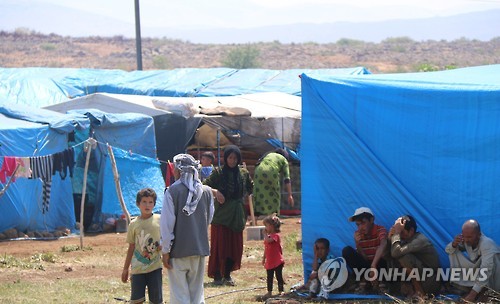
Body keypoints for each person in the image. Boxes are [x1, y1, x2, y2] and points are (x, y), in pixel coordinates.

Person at [160, 154, 215, 304]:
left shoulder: (172, 191)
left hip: (178, 252)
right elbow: (208, 219)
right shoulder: (207, 191)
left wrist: (165, 250)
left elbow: (167, 225)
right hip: (199, 249)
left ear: (178, 170)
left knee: (179, 295)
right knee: (197, 294)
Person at [203, 145, 253, 286]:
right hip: (221, 215)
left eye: (235, 158)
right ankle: (217, 275)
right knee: (220, 246)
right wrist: (216, 192)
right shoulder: (218, 172)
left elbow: (250, 187)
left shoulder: (243, 173)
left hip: (236, 214)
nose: (232, 160)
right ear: (225, 158)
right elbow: (204, 186)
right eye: (230, 157)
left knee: (233, 246)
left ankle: (227, 274)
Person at [121, 188, 163, 304]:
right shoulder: (133, 224)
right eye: (144, 202)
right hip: (137, 269)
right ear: (138, 204)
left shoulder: (160, 220)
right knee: (136, 300)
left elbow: (167, 238)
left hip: (155, 267)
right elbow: (131, 247)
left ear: (154, 204)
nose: (147, 205)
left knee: (156, 300)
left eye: (150, 202)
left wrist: (163, 247)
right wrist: (125, 269)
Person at [445, 219, 500, 302]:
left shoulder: (487, 244)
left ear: (479, 235)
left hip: (494, 279)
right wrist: (454, 244)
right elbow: (448, 250)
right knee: (454, 251)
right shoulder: (467, 241)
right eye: (464, 236)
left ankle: (487, 292)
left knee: (487, 264)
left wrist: (472, 295)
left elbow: (486, 270)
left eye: (469, 237)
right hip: (481, 276)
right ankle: (470, 287)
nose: (466, 240)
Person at [388, 215, 441, 298]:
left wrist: (397, 233)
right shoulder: (406, 239)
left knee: (404, 258)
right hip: (422, 277)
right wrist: (390, 238)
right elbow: (391, 255)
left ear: (411, 230)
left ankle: (420, 293)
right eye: (399, 233)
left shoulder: (419, 240)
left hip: (431, 281)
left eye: (402, 232)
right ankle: (409, 289)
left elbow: (396, 252)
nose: (400, 236)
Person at [342, 207, 387, 292]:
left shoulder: (380, 230)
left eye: (363, 223)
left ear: (372, 220)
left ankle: (380, 282)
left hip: (379, 266)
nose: (360, 228)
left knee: (383, 255)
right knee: (347, 251)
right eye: (358, 225)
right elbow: (364, 259)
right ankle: (365, 280)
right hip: (367, 267)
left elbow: (383, 244)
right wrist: (357, 244)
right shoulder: (358, 234)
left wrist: (373, 265)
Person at [253, 148, 294, 216]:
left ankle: (255, 218)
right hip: (271, 171)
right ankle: (274, 216)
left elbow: (258, 162)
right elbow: (287, 178)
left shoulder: (269, 154)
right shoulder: (284, 159)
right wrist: (290, 195)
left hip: (258, 170)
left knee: (259, 192)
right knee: (275, 194)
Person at [261, 214, 285, 299]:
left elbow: (269, 241)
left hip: (277, 261)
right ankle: (269, 291)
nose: (265, 228)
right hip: (270, 261)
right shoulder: (269, 237)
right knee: (269, 277)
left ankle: (281, 290)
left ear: (271, 226)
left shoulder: (276, 236)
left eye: (266, 226)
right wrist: (264, 258)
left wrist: (264, 234)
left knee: (279, 276)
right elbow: (266, 248)